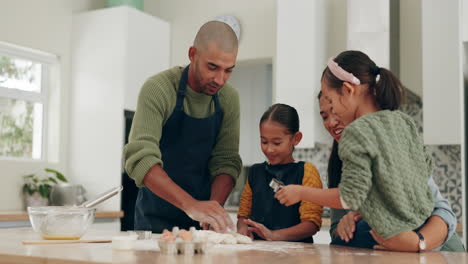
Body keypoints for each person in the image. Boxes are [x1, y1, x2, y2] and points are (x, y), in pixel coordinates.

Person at [275, 50, 437, 252]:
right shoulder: (404, 121)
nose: (333, 112)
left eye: (331, 101)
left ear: (348, 90)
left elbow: (348, 198)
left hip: (390, 233)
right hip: (422, 227)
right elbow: (424, 170)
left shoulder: (356, 132)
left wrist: (300, 192)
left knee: (340, 244)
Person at [123, 21, 242, 233]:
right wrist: (190, 205)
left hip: (203, 227)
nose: (220, 79)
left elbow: (226, 161)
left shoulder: (229, 99)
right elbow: (142, 159)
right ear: (192, 54)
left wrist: (212, 211)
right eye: (212, 67)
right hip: (154, 222)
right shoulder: (158, 89)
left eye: (229, 70)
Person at [318, 92, 465, 252]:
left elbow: (444, 212)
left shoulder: (394, 149)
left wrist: (418, 242)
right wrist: (343, 226)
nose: (331, 122)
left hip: (442, 253)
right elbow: (335, 231)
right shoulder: (340, 162)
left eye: (337, 111)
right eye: (325, 116)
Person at [236, 104, 323, 242]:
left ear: (296, 138)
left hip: (296, 255)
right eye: (264, 141)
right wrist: (242, 229)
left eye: (276, 143)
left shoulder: (306, 171)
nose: (269, 149)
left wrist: (274, 235)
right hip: (257, 252)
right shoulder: (255, 172)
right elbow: (243, 215)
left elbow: (311, 225)